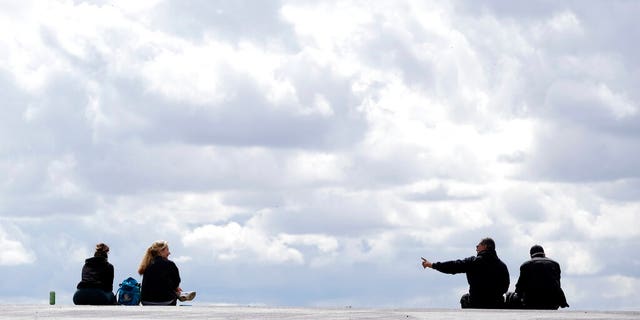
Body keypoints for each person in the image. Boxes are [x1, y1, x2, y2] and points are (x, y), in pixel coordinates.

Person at [421, 237, 510, 308]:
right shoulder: (502, 266)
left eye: (477, 246)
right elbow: (505, 287)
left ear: (485, 246)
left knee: (464, 298)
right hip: (496, 304)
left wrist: (432, 265)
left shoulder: (473, 262)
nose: (476, 249)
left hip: (476, 304)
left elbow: (453, 266)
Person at [507, 245, 569, 309]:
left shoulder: (526, 265)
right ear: (544, 253)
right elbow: (558, 284)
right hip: (552, 302)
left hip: (532, 302)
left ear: (531, 255)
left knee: (510, 296)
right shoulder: (555, 264)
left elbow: (520, 287)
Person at [138, 240, 195, 305]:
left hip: (146, 301)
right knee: (174, 289)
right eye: (167, 250)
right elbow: (176, 282)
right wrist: (176, 289)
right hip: (166, 301)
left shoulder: (147, 264)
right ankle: (180, 295)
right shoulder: (170, 264)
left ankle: (179, 294)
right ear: (160, 251)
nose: (169, 253)